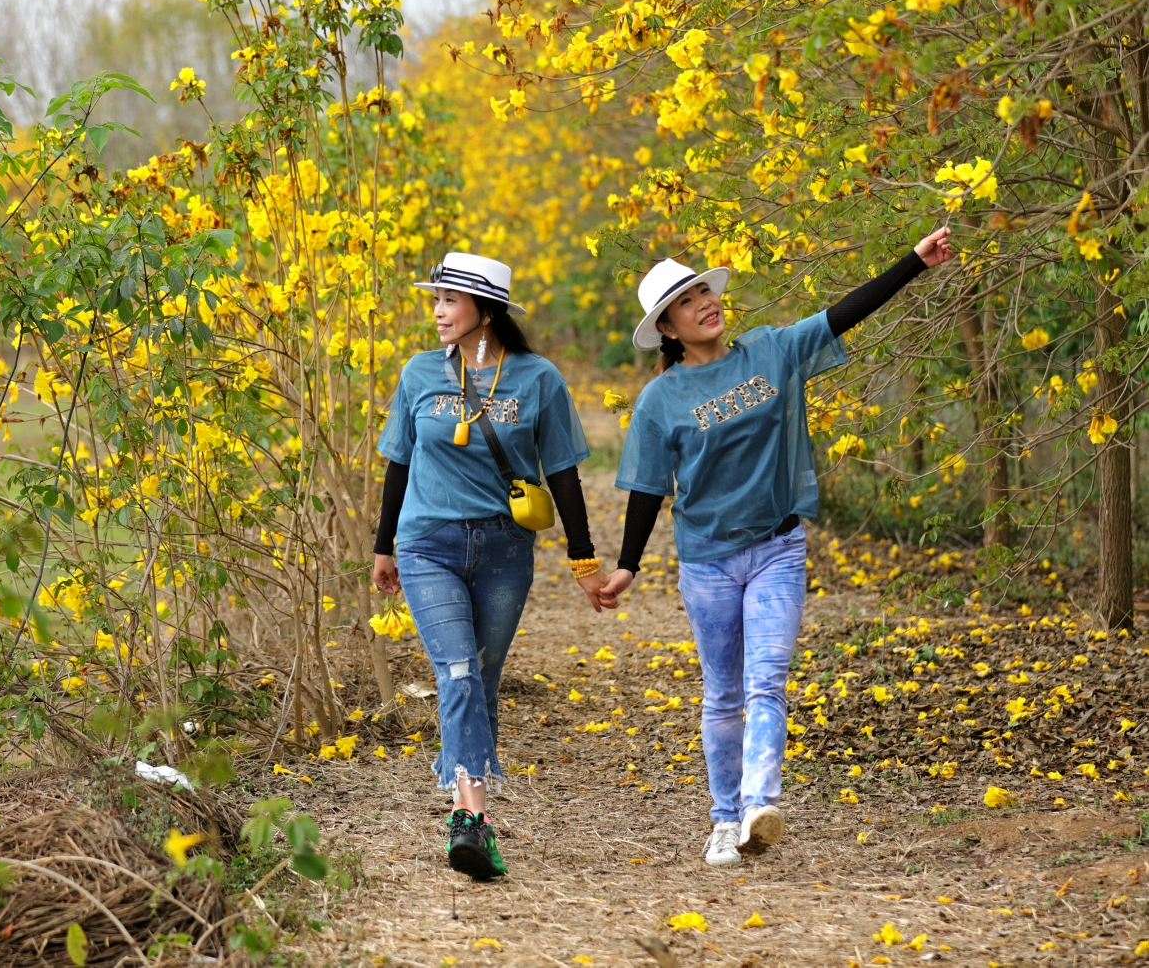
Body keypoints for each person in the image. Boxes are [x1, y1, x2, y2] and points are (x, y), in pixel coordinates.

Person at [599, 227, 955, 867]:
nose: (705, 303)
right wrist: (627, 565)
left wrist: (914, 262)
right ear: (669, 329)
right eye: (687, 302)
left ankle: (757, 807)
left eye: (704, 291)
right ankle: (722, 820)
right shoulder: (659, 401)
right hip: (708, 560)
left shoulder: (770, 351)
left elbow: (842, 314)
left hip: (778, 549)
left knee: (767, 681)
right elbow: (649, 488)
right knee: (722, 694)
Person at [372, 251, 615, 881]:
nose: (438, 311)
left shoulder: (538, 379)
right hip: (427, 546)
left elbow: (563, 473)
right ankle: (470, 821)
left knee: (480, 676)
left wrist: (584, 560)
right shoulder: (419, 373)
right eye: (436, 299)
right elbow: (398, 462)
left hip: (506, 550)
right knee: (456, 673)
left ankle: (467, 796)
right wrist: (382, 546)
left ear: (485, 310)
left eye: (449, 300)